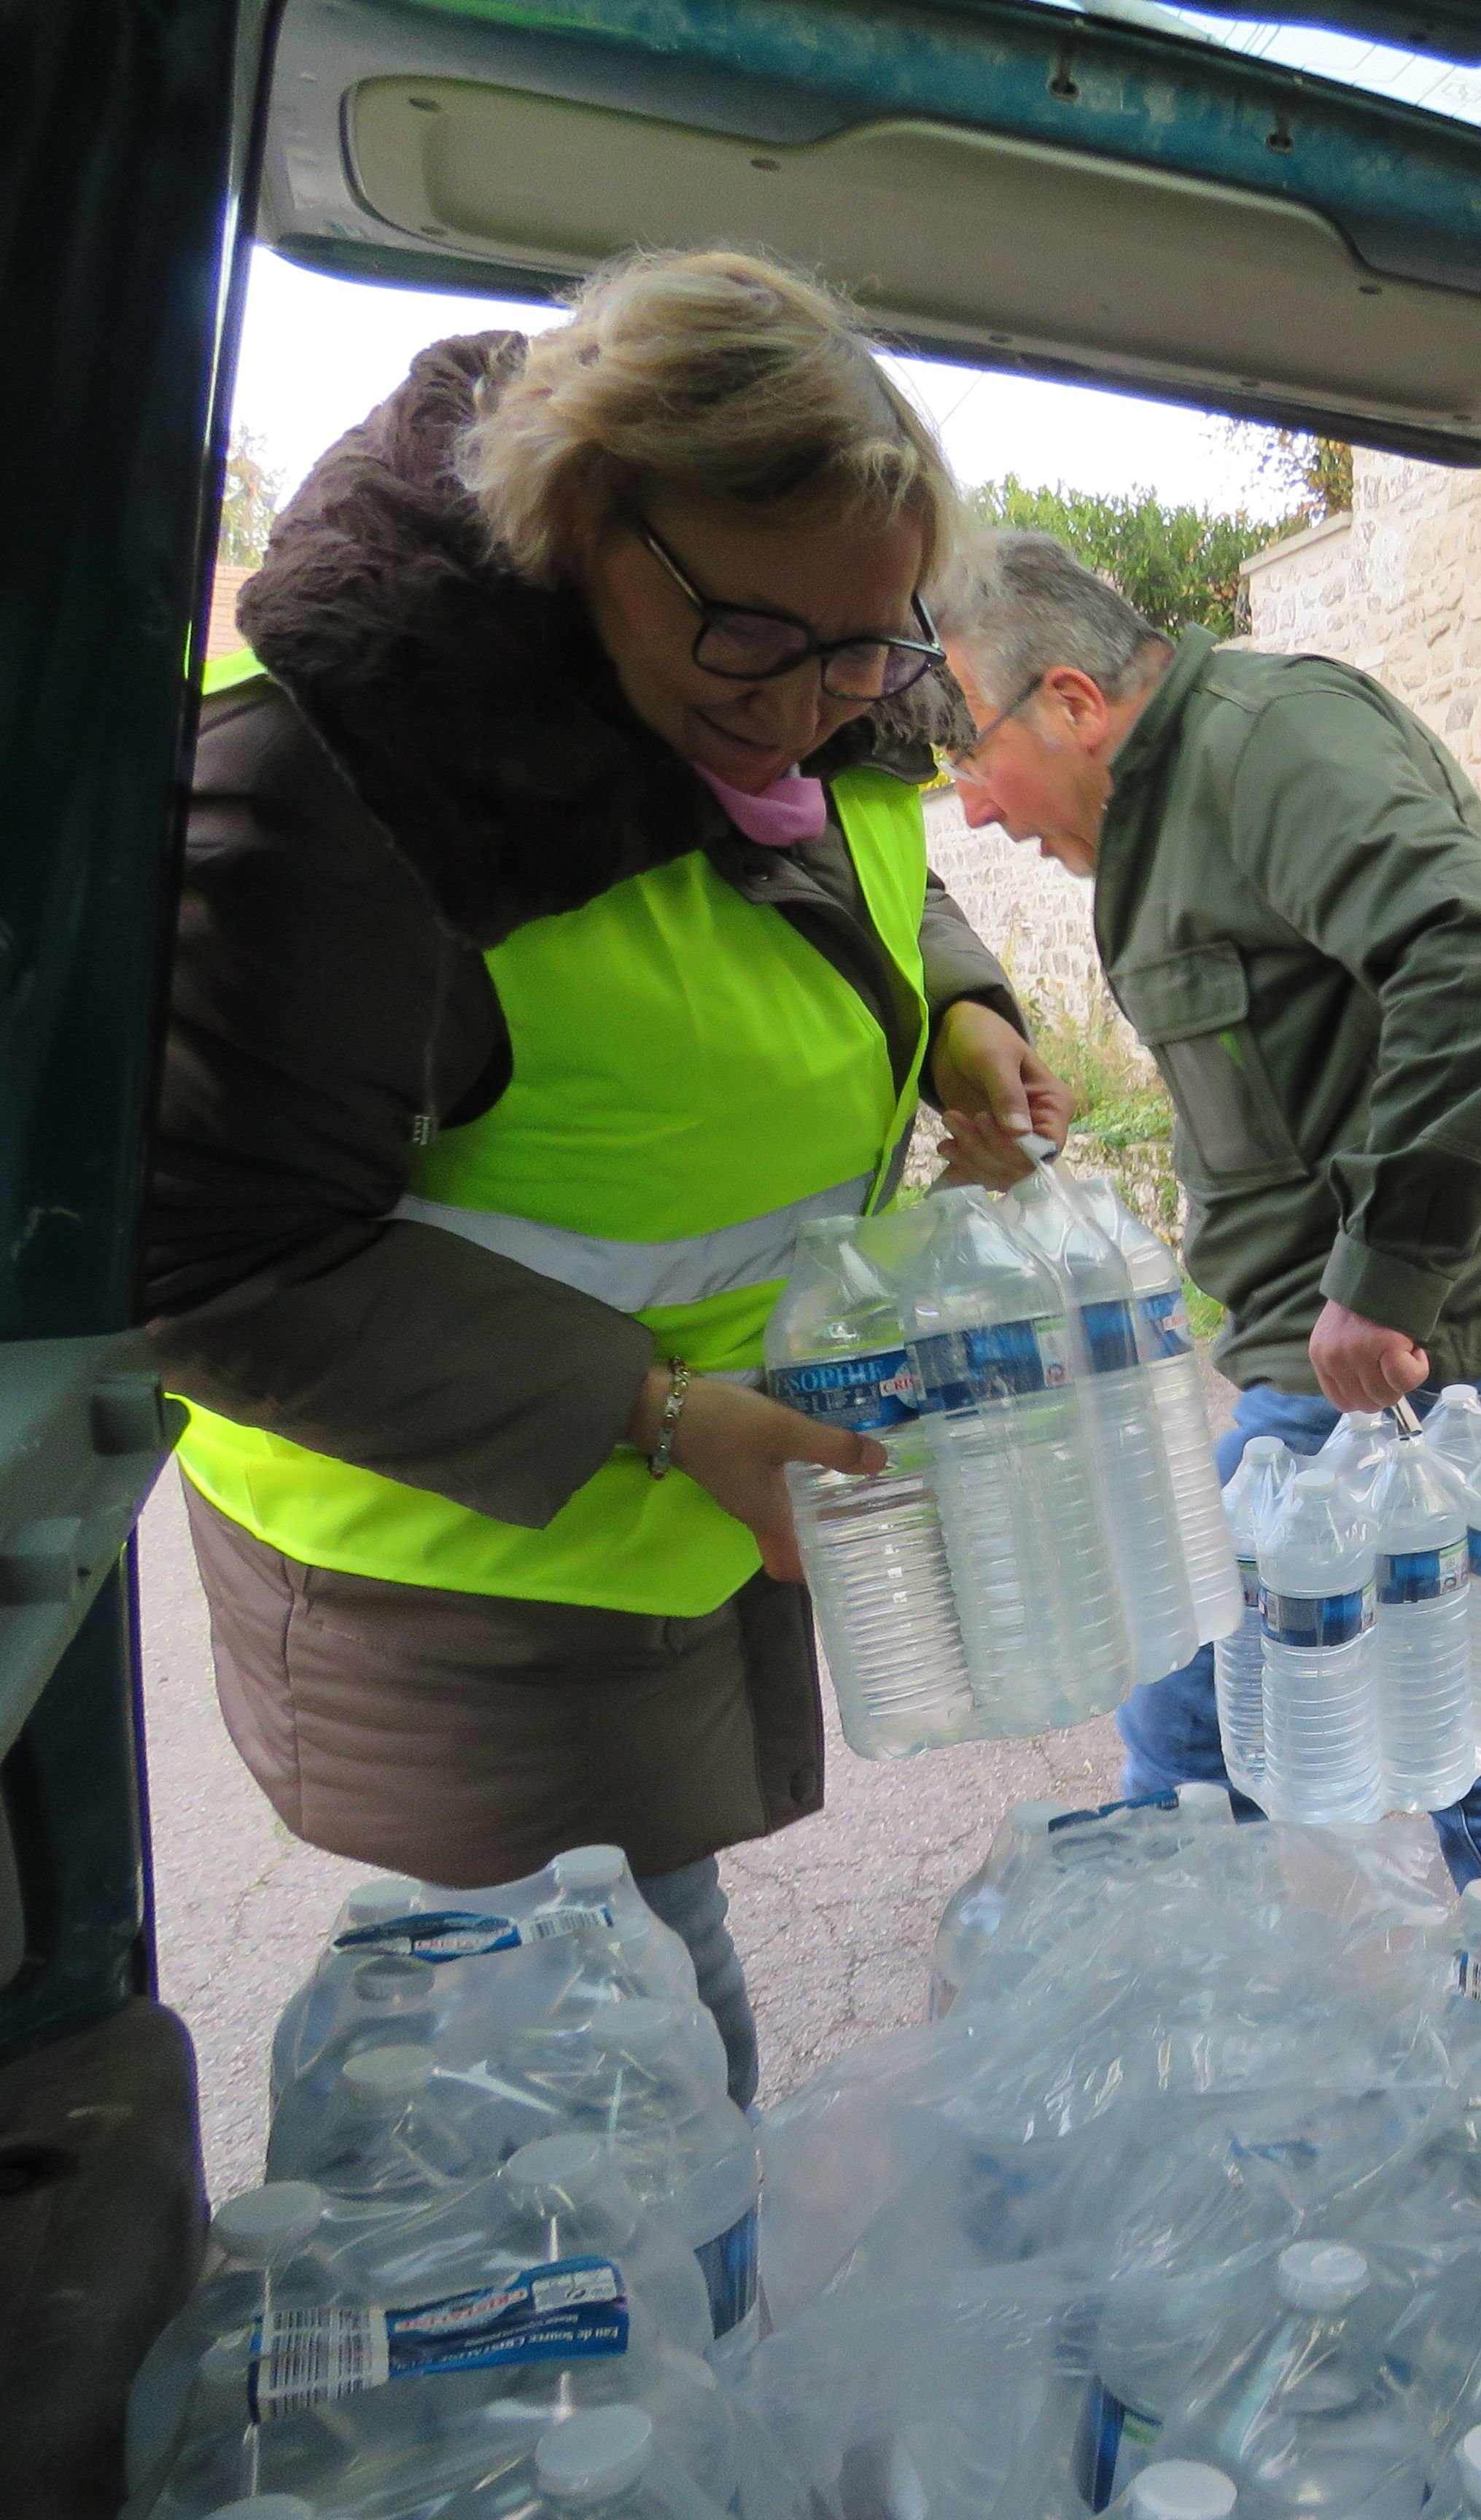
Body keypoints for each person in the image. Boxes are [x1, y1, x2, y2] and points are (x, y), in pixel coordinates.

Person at [147, 251, 1071, 2104]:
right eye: (760, 644)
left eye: (864, 656)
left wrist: (958, 1009)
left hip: (674, 1527)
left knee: (654, 1991)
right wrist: (656, 1411)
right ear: (581, 520)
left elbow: (839, 849)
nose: (812, 706)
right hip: (464, 1574)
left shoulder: (786, 653)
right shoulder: (347, 780)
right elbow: (206, 1255)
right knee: (563, 2081)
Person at [933, 527, 1481, 1889]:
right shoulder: (1166, 808)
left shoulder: (1264, 744)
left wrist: (1388, 1273)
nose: (976, 808)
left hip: (1405, 1356)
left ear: (1070, 700)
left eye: (969, 756)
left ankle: (1211, 2020)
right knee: (1452, 1743)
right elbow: (1292, 1069)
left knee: (1195, 1723)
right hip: (1336, 1353)